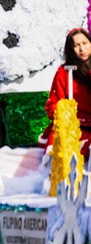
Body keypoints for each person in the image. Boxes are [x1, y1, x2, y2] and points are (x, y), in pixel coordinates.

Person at [40, 27, 91, 155]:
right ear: (71, 50)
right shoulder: (64, 72)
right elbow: (52, 103)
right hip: (72, 127)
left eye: (85, 43)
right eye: (76, 45)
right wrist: (63, 113)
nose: (82, 49)